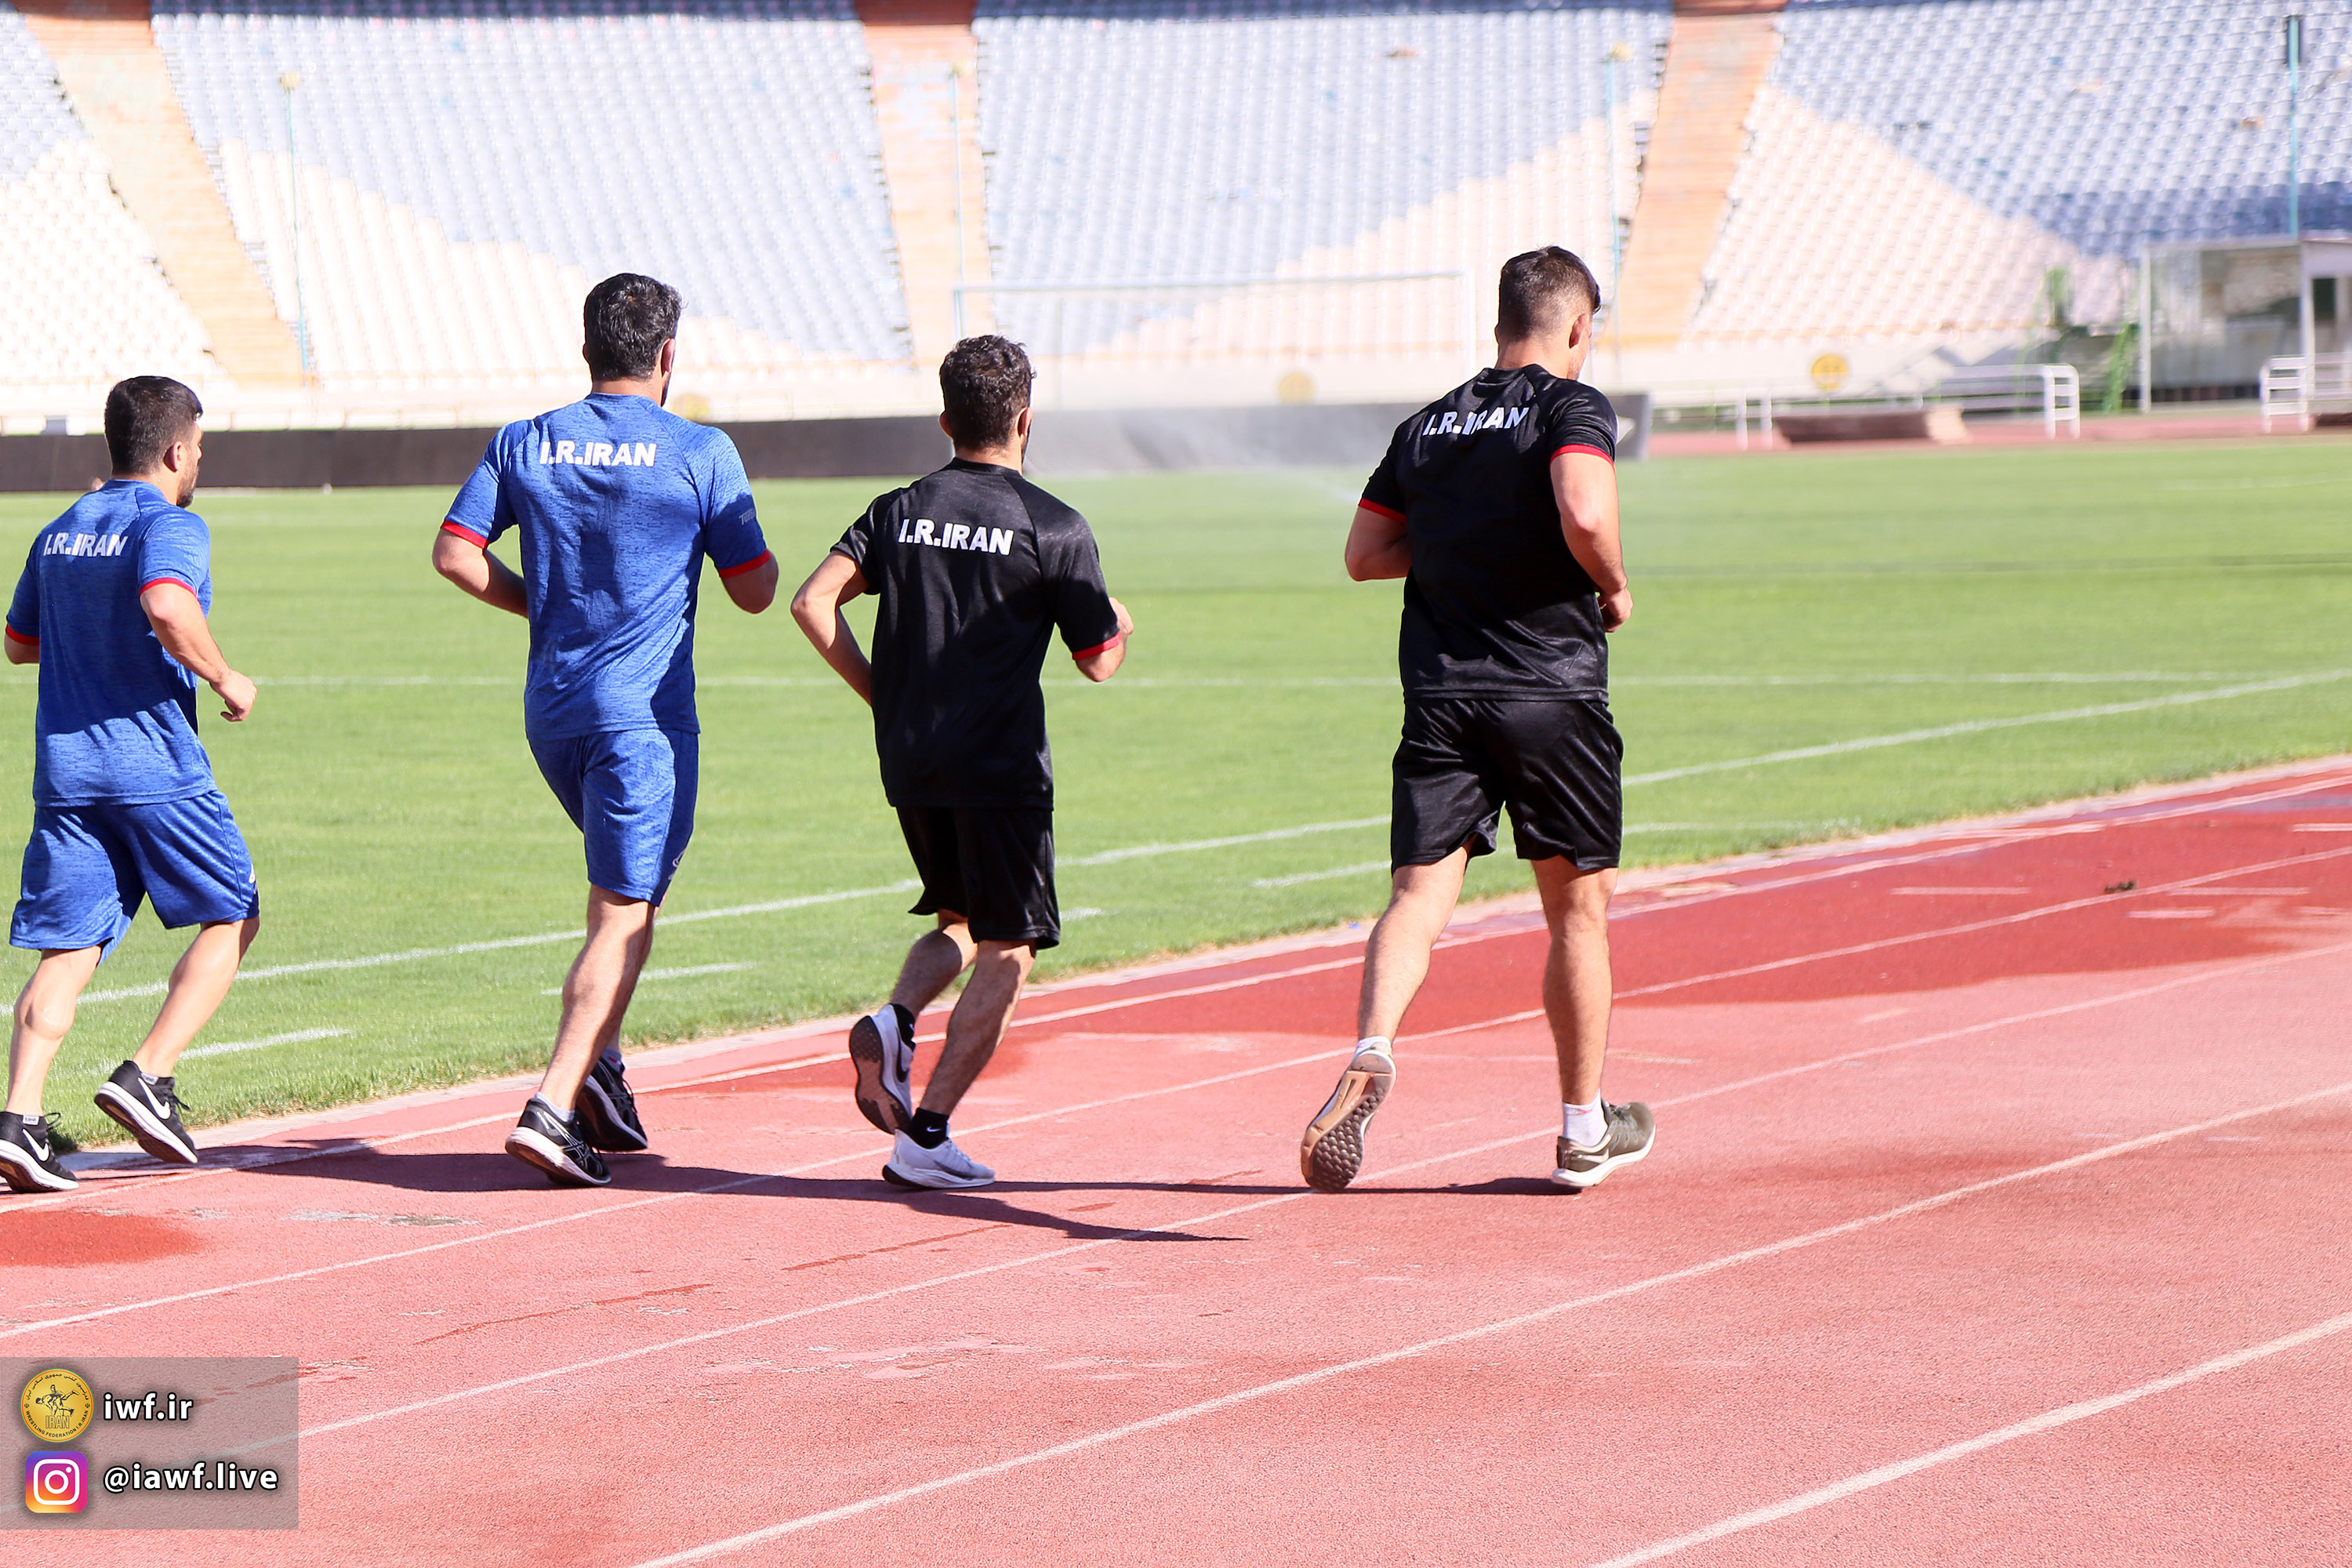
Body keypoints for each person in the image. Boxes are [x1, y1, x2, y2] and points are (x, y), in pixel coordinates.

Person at [1300, 246, 1655, 1195]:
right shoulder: (1571, 406)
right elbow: (1584, 509)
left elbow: (1365, 554)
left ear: (1499, 323)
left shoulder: (1428, 423)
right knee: (1576, 911)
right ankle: (1582, 1129)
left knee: (1417, 896)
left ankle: (1373, 1046)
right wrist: (1615, 584)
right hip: (1551, 693)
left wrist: (1461, 542)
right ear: (1577, 326)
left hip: (1441, 695)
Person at [434, 273, 778, 1188]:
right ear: (669, 355)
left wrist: (544, 608)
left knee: (627, 895)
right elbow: (754, 590)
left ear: (586, 351)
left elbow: (455, 552)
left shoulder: (526, 438)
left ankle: (603, 1065)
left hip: (553, 708)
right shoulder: (699, 449)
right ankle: (553, 1102)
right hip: (642, 718)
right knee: (624, 910)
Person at [792, 335, 1130, 1191]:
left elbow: (812, 601)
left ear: (945, 421)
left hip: (911, 761)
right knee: (1011, 949)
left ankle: (896, 1019)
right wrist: (1120, 622)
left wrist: (884, 695)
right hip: (999, 768)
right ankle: (927, 1136)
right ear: (1025, 419)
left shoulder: (898, 508)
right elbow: (1098, 661)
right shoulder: (1052, 523)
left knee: (960, 919)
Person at [0, 376, 262, 1192]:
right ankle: (149, 1073)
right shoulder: (170, 524)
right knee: (234, 912)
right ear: (177, 451)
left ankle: (19, 1119)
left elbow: (18, 643)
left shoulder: (61, 528)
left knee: (70, 946)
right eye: (200, 449)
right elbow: (167, 602)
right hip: (152, 767)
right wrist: (223, 675)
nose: (200, 462)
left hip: (68, 773)